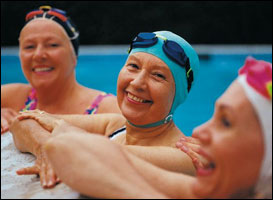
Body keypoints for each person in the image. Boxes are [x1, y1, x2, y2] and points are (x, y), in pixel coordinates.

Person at [39, 57, 271, 198]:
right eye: (133, 66)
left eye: (226, 122)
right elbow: (65, 146)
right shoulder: (197, 191)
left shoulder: (182, 157)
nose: (199, 131)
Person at [10, 30, 200, 188]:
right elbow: (23, 121)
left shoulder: (185, 157)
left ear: (178, 95)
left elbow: (95, 155)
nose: (138, 82)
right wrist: (43, 148)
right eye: (133, 66)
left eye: (158, 75)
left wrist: (61, 128)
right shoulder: (116, 125)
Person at [1, 5, 120, 134]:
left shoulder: (108, 109)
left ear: (74, 55)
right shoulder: (10, 97)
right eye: (29, 46)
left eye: (52, 45)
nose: (39, 55)